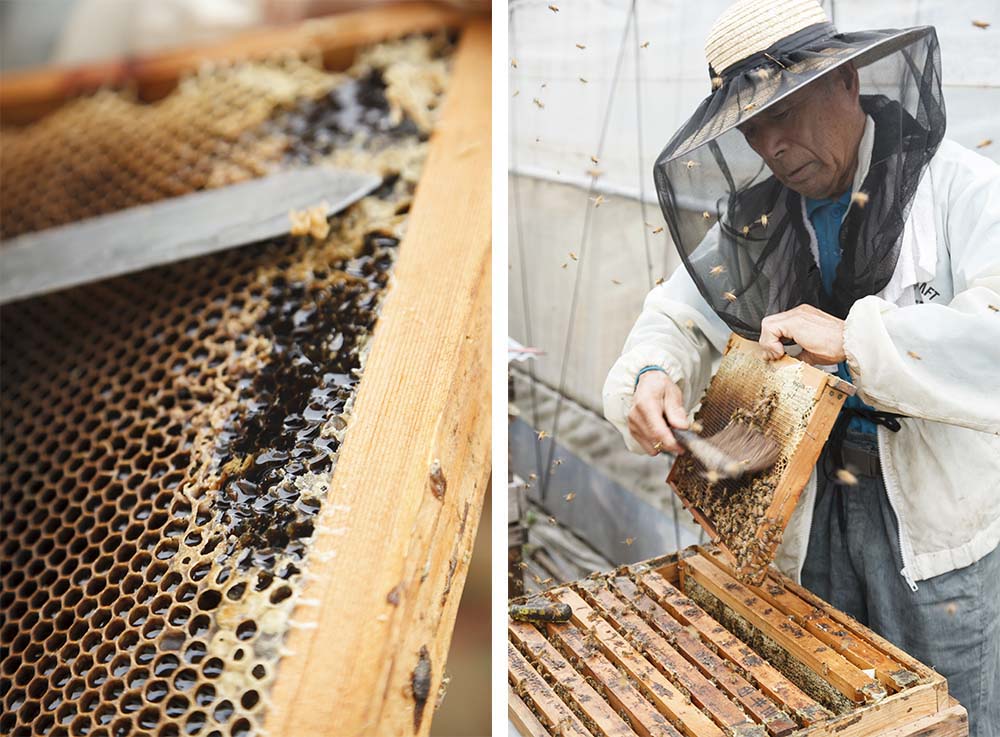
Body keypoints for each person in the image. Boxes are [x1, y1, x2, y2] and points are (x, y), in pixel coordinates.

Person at [603, 0, 1000, 732]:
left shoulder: (963, 189)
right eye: (753, 128)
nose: (773, 145)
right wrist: (649, 374)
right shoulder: (755, 218)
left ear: (846, 79)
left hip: (936, 520)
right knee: (828, 705)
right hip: (807, 502)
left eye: (784, 113)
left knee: (953, 713)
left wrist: (859, 338)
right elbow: (677, 314)